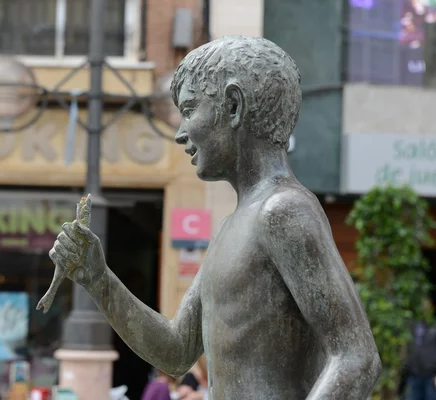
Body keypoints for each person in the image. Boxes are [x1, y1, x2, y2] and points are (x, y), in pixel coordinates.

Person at [48, 35, 381, 399]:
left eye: (189, 110)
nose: (180, 134)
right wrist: (99, 279)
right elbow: (176, 351)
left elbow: (355, 357)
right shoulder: (233, 226)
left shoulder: (283, 210)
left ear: (234, 106)